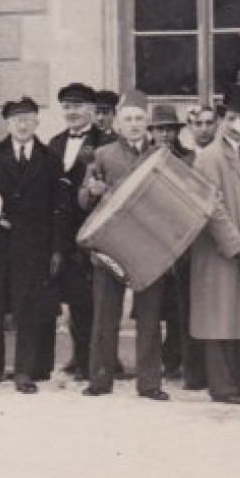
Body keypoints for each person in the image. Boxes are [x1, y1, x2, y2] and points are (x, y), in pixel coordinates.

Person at [0, 97, 68, 398]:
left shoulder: (50, 158)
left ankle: (24, 371)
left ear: (37, 123)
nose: (23, 125)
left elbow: (60, 208)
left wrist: (57, 249)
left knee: (29, 309)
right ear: (8, 124)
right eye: (17, 120)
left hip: (34, 247)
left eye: (29, 119)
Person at [78, 91, 169, 401]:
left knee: (149, 316)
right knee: (105, 314)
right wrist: (92, 191)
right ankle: (99, 379)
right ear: (117, 123)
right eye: (128, 119)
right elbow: (82, 200)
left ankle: (150, 382)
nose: (134, 124)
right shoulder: (103, 155)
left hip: (148, 247)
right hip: (110, 247)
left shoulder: (161, 156)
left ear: (148, 123)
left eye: (139, 119)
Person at [189, 85, 240, 405]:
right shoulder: (209, 159)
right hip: (220, 252)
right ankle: (221, 384)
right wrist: (236, 248)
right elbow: (212, 208)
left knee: (238, 316)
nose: (237, 124)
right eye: (232, 117)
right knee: (219, 315)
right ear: (222, 119)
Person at [47, 82, 107, 380]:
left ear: (92, 111)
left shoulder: (106, 142)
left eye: (79, 106)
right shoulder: (54, 143)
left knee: (95, 299)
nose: (72, 112)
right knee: (74, 297)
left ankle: (96, 360)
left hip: (96, 229)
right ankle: (79, 355)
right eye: (67, 107)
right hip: (63, 231)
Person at [149, 103, 203, 389]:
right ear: (152, 132)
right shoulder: (143, 159)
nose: (166, 134)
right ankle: (160, 365)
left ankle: (188, 368)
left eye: (170, 129)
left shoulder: (190, 159)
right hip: (150, 241)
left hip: (183, 242)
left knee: (183, 307)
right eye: (160, 129)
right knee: (154, 307)